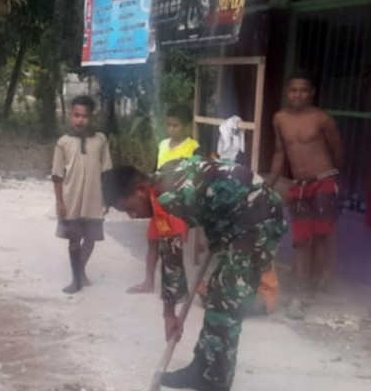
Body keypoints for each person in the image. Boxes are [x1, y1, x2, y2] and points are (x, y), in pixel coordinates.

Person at [102, 157, 287, 391]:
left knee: (227, 304)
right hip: (236, 219)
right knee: (218, 296)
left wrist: (169, 315)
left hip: (259, 221)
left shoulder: (167, 200)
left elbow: (172, 260)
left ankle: (215, 382)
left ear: (140, 189)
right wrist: (218, 229)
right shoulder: (162, 180)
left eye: (128, 208)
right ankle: (201, 369)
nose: (132, 215)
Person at [269, 71, 344, 319]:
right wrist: (269, 183)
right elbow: (280, 153)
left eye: (303, 90)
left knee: (322, 236)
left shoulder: (321, 119)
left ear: (311, 93)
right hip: (299, 186)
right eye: (293, 90)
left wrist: (333, 179)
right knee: (302, 240)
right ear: (287, 93)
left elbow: (337, 149)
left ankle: (320, 278)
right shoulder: (279, 118)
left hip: (323, 182)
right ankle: (300, 293)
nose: (298, 95)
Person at [127, 105, 199, 294]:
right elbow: (155, 170)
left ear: (186, 126)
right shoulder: (162, 145)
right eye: (169, 125)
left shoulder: (193, 147)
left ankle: (175, 286)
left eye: (176, 125)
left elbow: (196, 175)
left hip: (178, 204)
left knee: (173, 245)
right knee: (153, 241)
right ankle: (148, 282)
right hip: (158, 202)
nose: (172, 129)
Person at [51, 95, 112, 294]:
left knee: (91, 238)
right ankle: (76, 280)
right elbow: (57, 176)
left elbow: (105, 171)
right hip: (71, 199)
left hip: (93, 199)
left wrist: (106, 196)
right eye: (76, 115)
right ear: (70, 116)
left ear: (91, 117)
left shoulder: (100, 140)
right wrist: (59, 202)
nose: (80, 120)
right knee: (74, 239)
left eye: (84, 116)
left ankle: (80, 269)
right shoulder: (63, 142)